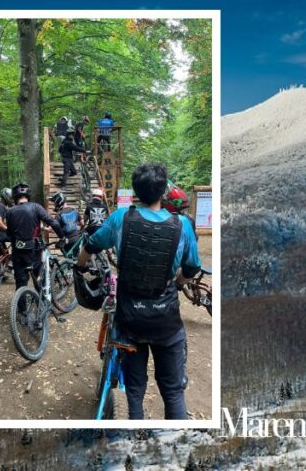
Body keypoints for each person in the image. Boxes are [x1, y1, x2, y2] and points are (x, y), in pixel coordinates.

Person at [76, 163, 201, 420]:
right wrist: (177, 283)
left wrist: (80, 266)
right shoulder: (182, 226)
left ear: (136, 191)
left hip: (130, 316)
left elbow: (91, 244)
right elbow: (192, 268)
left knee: (134, 389)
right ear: (163, 192)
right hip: (165, 319)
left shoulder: (121, 218)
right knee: (173, 392)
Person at [5, 183, 65, 290]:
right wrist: (62, 237)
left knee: (20, 283)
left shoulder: (9, 211)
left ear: (15, 197)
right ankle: (43, 304)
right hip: (34, 251)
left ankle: (21, 305)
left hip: (17, 252)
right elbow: (54, 223)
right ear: (28, 196)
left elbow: (9, 233)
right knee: (41, 280)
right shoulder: (36, 207)